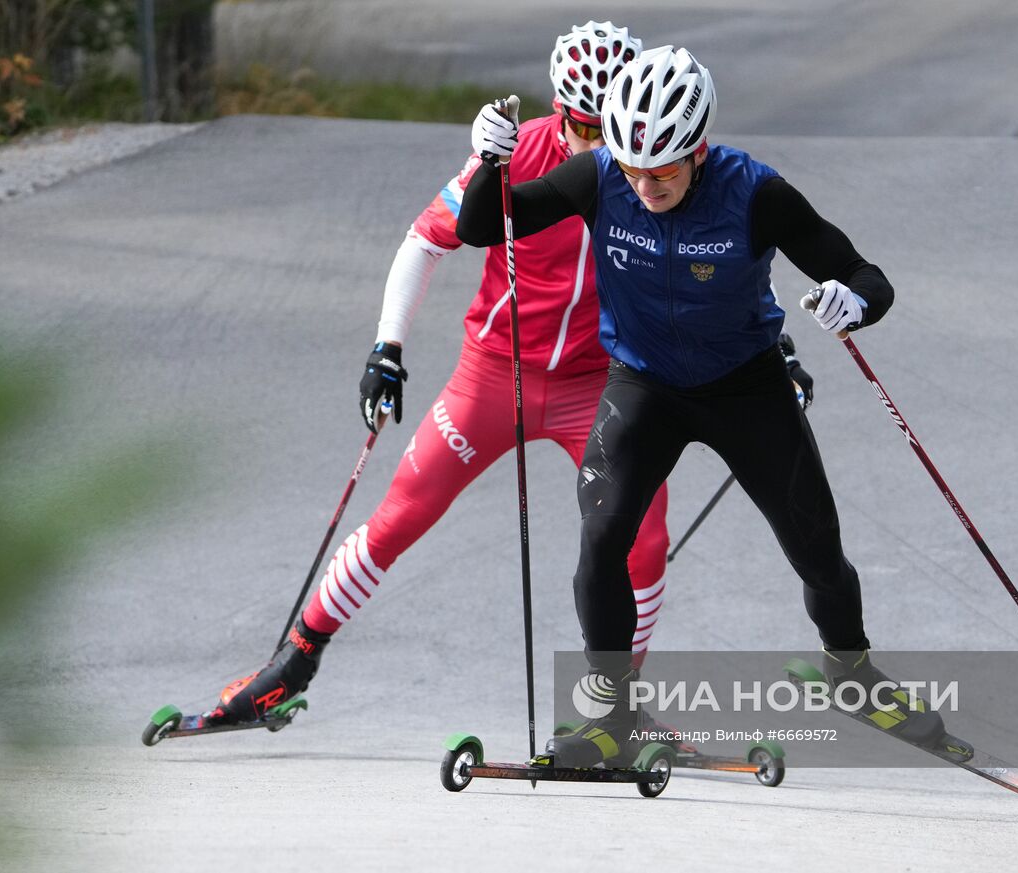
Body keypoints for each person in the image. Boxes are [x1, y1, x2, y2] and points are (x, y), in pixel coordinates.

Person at [201, 24, 815, 728]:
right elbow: (425, 239)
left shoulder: (651, 174)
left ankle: (612, 706)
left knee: (642, 541)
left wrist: (777, 354)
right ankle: (293, 663)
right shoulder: (518, 155)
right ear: (559, 109)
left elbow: (716, 275)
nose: (598, 145)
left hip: (599, 381)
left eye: (608, 127)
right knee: (403, 513)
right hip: (494, 374)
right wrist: (387, 348)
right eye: (582, 125)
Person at [457, 45, 942, 768]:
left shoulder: (755, 193)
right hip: (644, 385)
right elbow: (483, 226)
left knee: (817, 549)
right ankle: (612, 715)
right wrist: (488, 164)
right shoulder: (599, 177)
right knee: (601, 538)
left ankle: (852, 672)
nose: (646, 185)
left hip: (745, 386)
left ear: (699, 149)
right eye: (632, 169)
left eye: (664, 171)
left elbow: (864, 273)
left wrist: (855, 300)